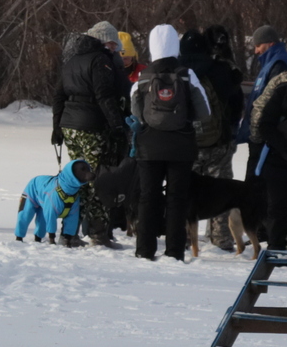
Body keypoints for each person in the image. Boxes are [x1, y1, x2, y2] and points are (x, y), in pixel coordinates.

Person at [130, 24, 211, 261]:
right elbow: (204, 111)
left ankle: (145, 250)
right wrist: (184, 119)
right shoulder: (187, 74)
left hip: (149, 146)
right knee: (177, 198)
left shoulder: (144, 76)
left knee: (148, 197)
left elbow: (135, 111)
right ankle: (174, 251)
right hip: (181, 146)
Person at [51, 21, 129, 248]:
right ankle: (98, 233)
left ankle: (70, 232)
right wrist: (117, 126)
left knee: (75, 180)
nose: (116, 49)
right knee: (97, 180)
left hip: (70, 127)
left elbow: (58, 96)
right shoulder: (100, 60)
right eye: (113, 43)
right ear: (104, 41)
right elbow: (105, 96)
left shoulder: (72, 60)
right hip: (92, 127)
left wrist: (57, 128)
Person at [183, 26, 243, 251]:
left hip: (187, 144)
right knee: (220, 190)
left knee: (185, 191)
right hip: (218, 141)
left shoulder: (177, 70)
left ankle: (185, 237)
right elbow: (237, 101)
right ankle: (220, 238)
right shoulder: (220, 70)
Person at [249, 27, 287, 250]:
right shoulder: (279, 77)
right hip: (277, 151)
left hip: (276, 151)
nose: (256, 51)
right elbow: (265, 120)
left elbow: (264, 118)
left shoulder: (278, 66)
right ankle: (274, 245)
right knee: (276, 205)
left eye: (258, 45)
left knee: (276, 205)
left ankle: (275, 243)